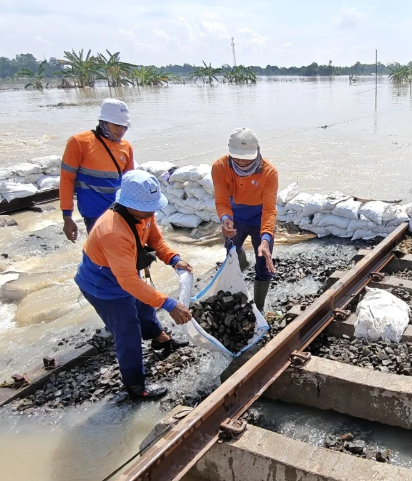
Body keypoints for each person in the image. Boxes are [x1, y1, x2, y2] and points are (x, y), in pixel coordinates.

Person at [74, 170, 193, 400]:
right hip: (103, 284)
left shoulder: (143, 213)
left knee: (144, 306)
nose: (153, 211)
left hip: (125, 272)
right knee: (127, 330)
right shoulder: (113, 231)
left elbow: (155, 239)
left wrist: (174, 259)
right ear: (129, 203)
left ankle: (160, 340)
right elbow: (128, 282)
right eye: (148, 207)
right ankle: (136, 387)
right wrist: (169, 303)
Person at [212, 128, 279, 311]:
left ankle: (259, 308)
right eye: (237, 158)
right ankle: (240, 267)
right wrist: (225, 218)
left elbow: (269, 210)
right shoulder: (220, 167)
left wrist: (265, 239)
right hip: (235, 216)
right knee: (232, 254)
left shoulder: (269, 172)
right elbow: (221, 200)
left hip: (259, 218)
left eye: (246, 158)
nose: (241, 162)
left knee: (264, 263)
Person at [60, 98, 135, 242]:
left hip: (120, 213)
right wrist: (67, 217)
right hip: (94, 215)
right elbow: (66, 181)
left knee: (125, 256)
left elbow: (129, 183)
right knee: (102, 258)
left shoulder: (126, 147)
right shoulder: (79, 143)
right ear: (104, 122)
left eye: (125, 126)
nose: (121, 130)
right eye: (117, 125)